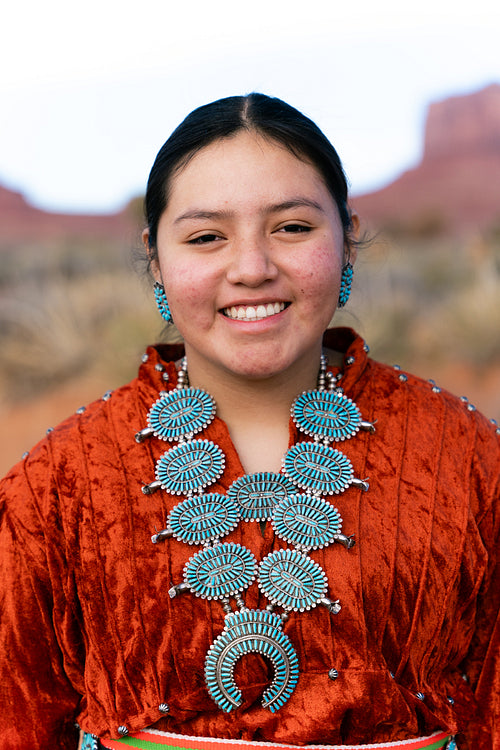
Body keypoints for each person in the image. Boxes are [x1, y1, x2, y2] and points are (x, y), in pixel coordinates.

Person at [0, 94, 498, 750]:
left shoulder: (465, 457)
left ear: (346, 239)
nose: (252, 268)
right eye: (206, 236)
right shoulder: (57, 482)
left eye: (291, 228)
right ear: (156, 258)